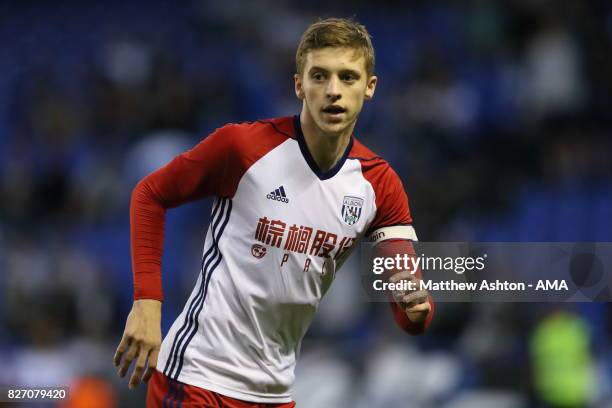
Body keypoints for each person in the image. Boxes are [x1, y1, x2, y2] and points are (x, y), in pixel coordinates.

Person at [113, 17, 434, 407]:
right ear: (299, 84)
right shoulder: (242, 147)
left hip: (274, 393)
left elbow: (409, 310)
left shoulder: (379, 185)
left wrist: (415, 305)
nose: (333, 91)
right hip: (196, 377)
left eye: (348, 77)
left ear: (369, 88)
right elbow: (149, 194)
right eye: (320, 76)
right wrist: (147, 304)